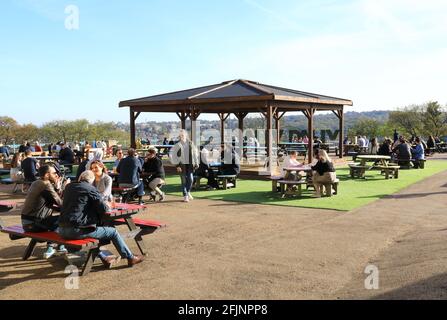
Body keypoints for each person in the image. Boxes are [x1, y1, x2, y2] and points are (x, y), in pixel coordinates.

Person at [58, 170, 144, 268]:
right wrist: (107, 204)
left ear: (80, 178)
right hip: (77, 230)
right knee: (113, 232)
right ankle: (130, 257)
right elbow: (103, 209)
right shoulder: (90, 188)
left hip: (61, 229)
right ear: (91, 180)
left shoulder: (69, 187)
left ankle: (104, 256)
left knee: (97, 230)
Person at [21, 165, 66, 259]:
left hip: (27, 223)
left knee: (57, 219)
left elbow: (50, 202)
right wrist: (60, 187)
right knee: (66, 219)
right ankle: (59, 246)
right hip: (35, 224)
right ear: (46, 175)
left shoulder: (36, 183)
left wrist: (57, 188)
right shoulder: (46, 184)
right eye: (54, 173)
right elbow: (60, 203)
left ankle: (56, 246)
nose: (57, 175)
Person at [170, 130, 199, 202]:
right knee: (184, 181)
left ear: (186, 135)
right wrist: (177, 166)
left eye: (182, 135)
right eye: (180, 136)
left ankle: (188, 191)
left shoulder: (191, 144)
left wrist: (196, 163)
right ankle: (185, 195)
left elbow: (195, 154)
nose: (181, 137)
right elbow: (174, 156)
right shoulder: (177, 145)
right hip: (181, 165)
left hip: (190, 165)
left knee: (191, 179)